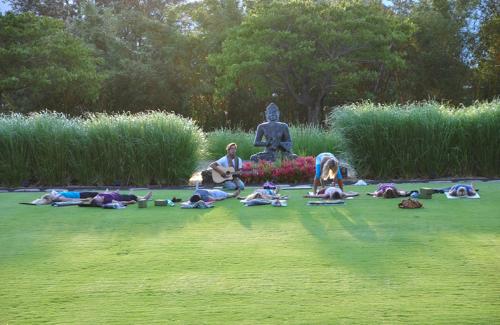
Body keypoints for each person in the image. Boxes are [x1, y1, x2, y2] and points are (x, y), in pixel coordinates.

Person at [87, 191, 153, 206]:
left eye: (99, 197)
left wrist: (113, 192)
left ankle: (143, 197)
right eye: (99, 199)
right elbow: (119, 202)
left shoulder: (98, 196)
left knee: (132, 195)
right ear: (100, 202)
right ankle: (144, 198)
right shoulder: (108, 201)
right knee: (132, 197)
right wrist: (130, 202)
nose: (100, 197)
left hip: (118, 194)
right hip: (122, 198)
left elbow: (94, 198)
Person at [32, 190, 100, 205]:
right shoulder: (59, 198)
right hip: (81, 195)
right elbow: (72, 200)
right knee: (97, 194)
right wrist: (84, 200)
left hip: (80, 194)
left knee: (97, 194)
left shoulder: (56, 195)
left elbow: (52, 192)